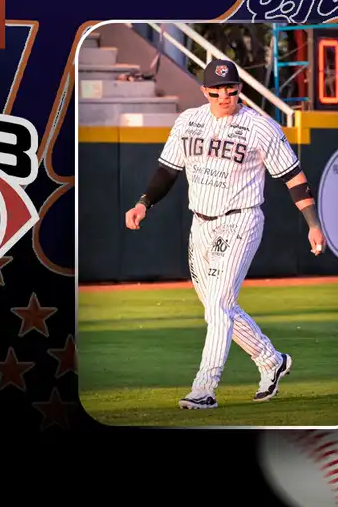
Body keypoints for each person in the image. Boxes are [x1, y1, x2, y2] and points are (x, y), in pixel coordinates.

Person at [124, 58, 325, 410]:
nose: (224, 97)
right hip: (200, 223)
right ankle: (271, 361)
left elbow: (293, 178)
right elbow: (167, 171)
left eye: (230, 90)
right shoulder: (188, 121)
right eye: (217, 92)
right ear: (205, 91)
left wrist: (313, 223)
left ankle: (204, 388)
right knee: (220, 307)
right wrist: (144, 203)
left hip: (240, 219)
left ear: (239, 90)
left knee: (217, 306)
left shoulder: (261, 127)